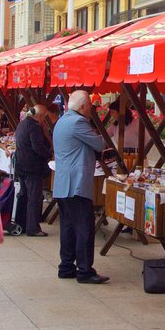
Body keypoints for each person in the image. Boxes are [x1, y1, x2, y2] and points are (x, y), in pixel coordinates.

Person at [52, 91, 109, 284]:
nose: (91, 110)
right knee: (84, 227)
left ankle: (66, 266)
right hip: (76, 184)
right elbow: (99, 144)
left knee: (68, 227)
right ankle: (85, 270)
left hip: (62, 183)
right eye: (90, 106)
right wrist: (101, 136)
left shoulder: (62, 120)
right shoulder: (78, 122)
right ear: (83, 106)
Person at [14, 105, 52, 237]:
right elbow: (38, 147)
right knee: (34, 198)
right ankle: (33, 227)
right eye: (43, 117)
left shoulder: (22, 124)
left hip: (21, 165)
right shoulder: (34, 127)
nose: (44, 120)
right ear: (39, 116)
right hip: (32, 167)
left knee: (24, 195)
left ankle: (21, 223)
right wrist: (48, 154)